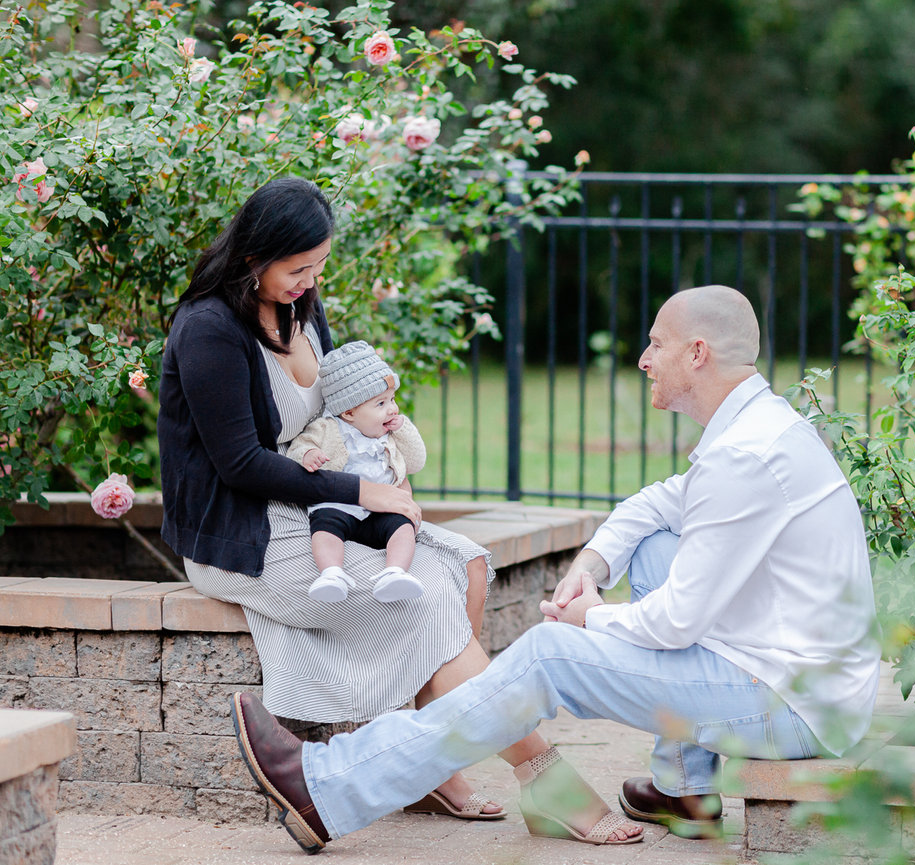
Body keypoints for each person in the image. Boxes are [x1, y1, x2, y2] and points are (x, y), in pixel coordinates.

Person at [229, 283, 880, 849]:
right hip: (798, 672)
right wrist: (592, 563)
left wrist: (589, 616)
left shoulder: (747, 457)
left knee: (548, 656)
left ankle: (332, 786)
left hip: (795, 703)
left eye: (656, 344)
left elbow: (678, 622)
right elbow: (662, 501)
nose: (644, 359)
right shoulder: (756, 430)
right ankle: (687, 788)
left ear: (698, 354)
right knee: (651, 547)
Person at [159, 176, 642, 846]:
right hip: (244, 533)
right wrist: (363, 494)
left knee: (465, 567)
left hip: (315, 510)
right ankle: (548, 780)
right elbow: (239, 464)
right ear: (252, 256)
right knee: (417, 603)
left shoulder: (300, 308)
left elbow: (332, 413)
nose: (310, 281)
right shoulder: (208, 329)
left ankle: (428, 762)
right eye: (298, 268)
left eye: (320, 266)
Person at [287, 340, 425, 604]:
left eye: (392, 399)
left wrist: (403, 428)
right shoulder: (327, 428)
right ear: (349, 412)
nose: (392, 408)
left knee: (404, 527)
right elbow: (300, 446)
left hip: (381, 511)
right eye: (381, 403)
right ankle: (331, 574)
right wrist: (309, 455)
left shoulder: (389, 434)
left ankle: (395, 572)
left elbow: (416, 461)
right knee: (324, 528)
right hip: (339, 505)